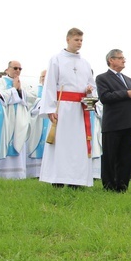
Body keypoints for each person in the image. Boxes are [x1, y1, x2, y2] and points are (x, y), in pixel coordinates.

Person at [39, 28, 97, 188]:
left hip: (79, 109)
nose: (79, 43)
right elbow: (50, 84)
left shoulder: (85, 63)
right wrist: (50, 109)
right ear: (68, 39)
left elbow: (91, 84)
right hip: (63, 108)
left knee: (78, 145)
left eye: (81, 40)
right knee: (61, 144)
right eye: (76, 40)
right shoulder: (56, 59)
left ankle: (76, 181)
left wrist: (89, 90)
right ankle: (57, 179)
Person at [96, 49, 131, 192]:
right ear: (111, 60)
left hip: (129, 123)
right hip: (113, 124)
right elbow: (105, 97)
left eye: (124, 58)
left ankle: (122, 186)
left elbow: (130, 99)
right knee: (111, 156)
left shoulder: (129, 79)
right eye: (120, 58)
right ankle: (109, 186)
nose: (124, 60)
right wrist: (126, 93)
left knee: (125, 157)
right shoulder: (102, 78)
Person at [0, 60, 30, 180]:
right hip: (5, 117)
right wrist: (14, 90)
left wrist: (19, 90)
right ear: (7, 69)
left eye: (20, 69)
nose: (17, 71)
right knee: (4, 140)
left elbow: (29, 98)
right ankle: (2, 173)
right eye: (15, 68)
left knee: (18, 139)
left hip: (19, 118)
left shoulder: (22, 83)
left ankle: (17, 174)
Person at [26, 70, 49, 178]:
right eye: (42, 76)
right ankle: (34, 173)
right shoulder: (35, 90)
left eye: (46, 76)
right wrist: (39, 103)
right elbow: (28, 103)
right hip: (37, 122)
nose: (44, 78)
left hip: (50, 122)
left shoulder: (54, 90)